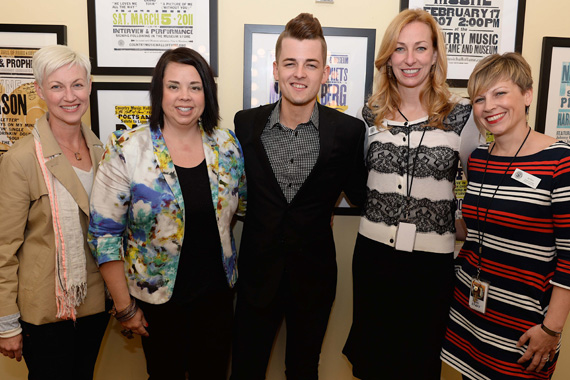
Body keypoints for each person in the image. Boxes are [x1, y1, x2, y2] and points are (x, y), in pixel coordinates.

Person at [88, 47, 246, 380]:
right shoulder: (127, 148)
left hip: (217, 300)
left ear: (207, 93)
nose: (184, 96)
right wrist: (124, 306)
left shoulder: (228, 146)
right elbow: (104, 234)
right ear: (159, 91)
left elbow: (241, 205)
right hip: (158, 304)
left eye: (195, 86)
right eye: (173, 86)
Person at [342, 9, 483, 380]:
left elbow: (483, 183)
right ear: (388, 56)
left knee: (420, 364)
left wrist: (456, 219)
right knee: (372, 364)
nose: (409, 59)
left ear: (435, 55)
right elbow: (359, 181)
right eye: (400, 49)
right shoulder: (370, 114)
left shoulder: (462, 117)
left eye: (420, 48)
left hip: (431, 267)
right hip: (373, 259)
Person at [230, 12, 368, 380]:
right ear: (275, 69)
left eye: (311, 64)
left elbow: (363, 195)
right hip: (257, 275)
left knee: (304, 369)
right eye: (290, 63)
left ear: (325, 73)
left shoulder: (349, 132)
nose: (299, 74)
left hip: (315, 278)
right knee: (245, 368)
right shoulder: (245, 124)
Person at [441, 52, 570, 380]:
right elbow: (478, 230)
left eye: (500, 93)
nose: (488, 106)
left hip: (526, 327)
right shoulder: (480, 159)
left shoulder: (560, 161)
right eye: (479, 99)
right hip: (470, 311)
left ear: (527, 95)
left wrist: (551, 329)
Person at [0, 45, 108, 380]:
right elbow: (3, 249)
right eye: (57, 86)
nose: (69, 96)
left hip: (94, 305)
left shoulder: (101, 150)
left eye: (77, 84)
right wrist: (6, 324)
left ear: (89, 86)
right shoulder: (20, 159)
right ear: (40, 91)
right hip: (44, 313)